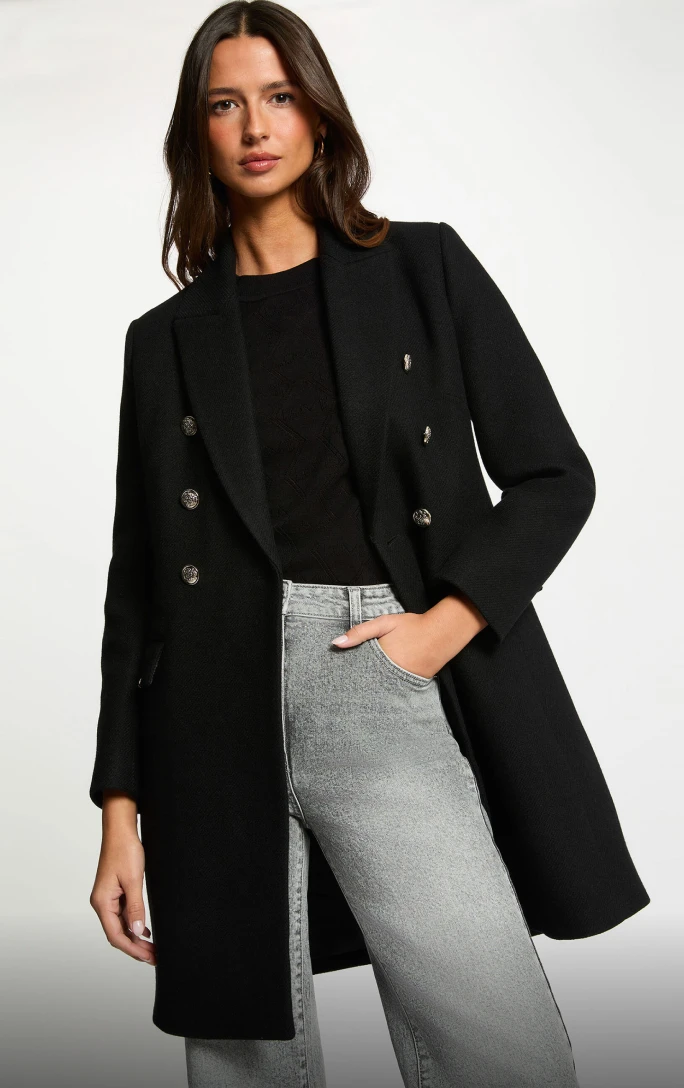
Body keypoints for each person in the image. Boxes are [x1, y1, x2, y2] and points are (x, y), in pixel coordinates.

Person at [88, 3, 650, 1086]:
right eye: (225, 103)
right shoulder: (161, 344)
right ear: (196, 131)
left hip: (374, 671)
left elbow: (554, 475)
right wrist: (120, 811)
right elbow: (138, 588)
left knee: (507, 1054)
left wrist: (441, 629)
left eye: (279, 96)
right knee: (248, 1061)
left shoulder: (421, 269)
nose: (257, 126)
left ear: (319, 114)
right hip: (206, 711)